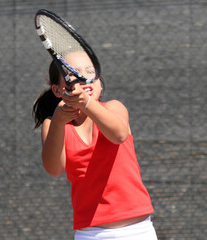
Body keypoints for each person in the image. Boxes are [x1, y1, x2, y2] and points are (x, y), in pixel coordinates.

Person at [32, 51, 157, 240]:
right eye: (74, 74)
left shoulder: (114, 107)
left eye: (90, 72)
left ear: (99, 82)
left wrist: (87, 103)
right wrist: (58, 122)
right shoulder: (54, 124)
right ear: (58, 90)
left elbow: (119, 135)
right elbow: (54, 169)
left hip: (138, 230)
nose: (84, 78)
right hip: (91, 233)